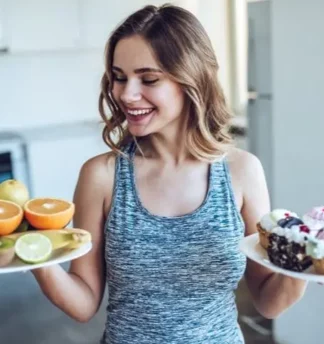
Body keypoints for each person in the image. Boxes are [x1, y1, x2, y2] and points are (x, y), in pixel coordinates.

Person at [32, 4, 307, 344]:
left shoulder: (241, 171)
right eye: (119, 77)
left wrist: (303, 264)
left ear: (191, 80)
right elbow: (84, 301)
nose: (127, 94)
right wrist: (33, 256)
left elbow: (267, 301)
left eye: (148, 79)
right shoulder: (101, 176)